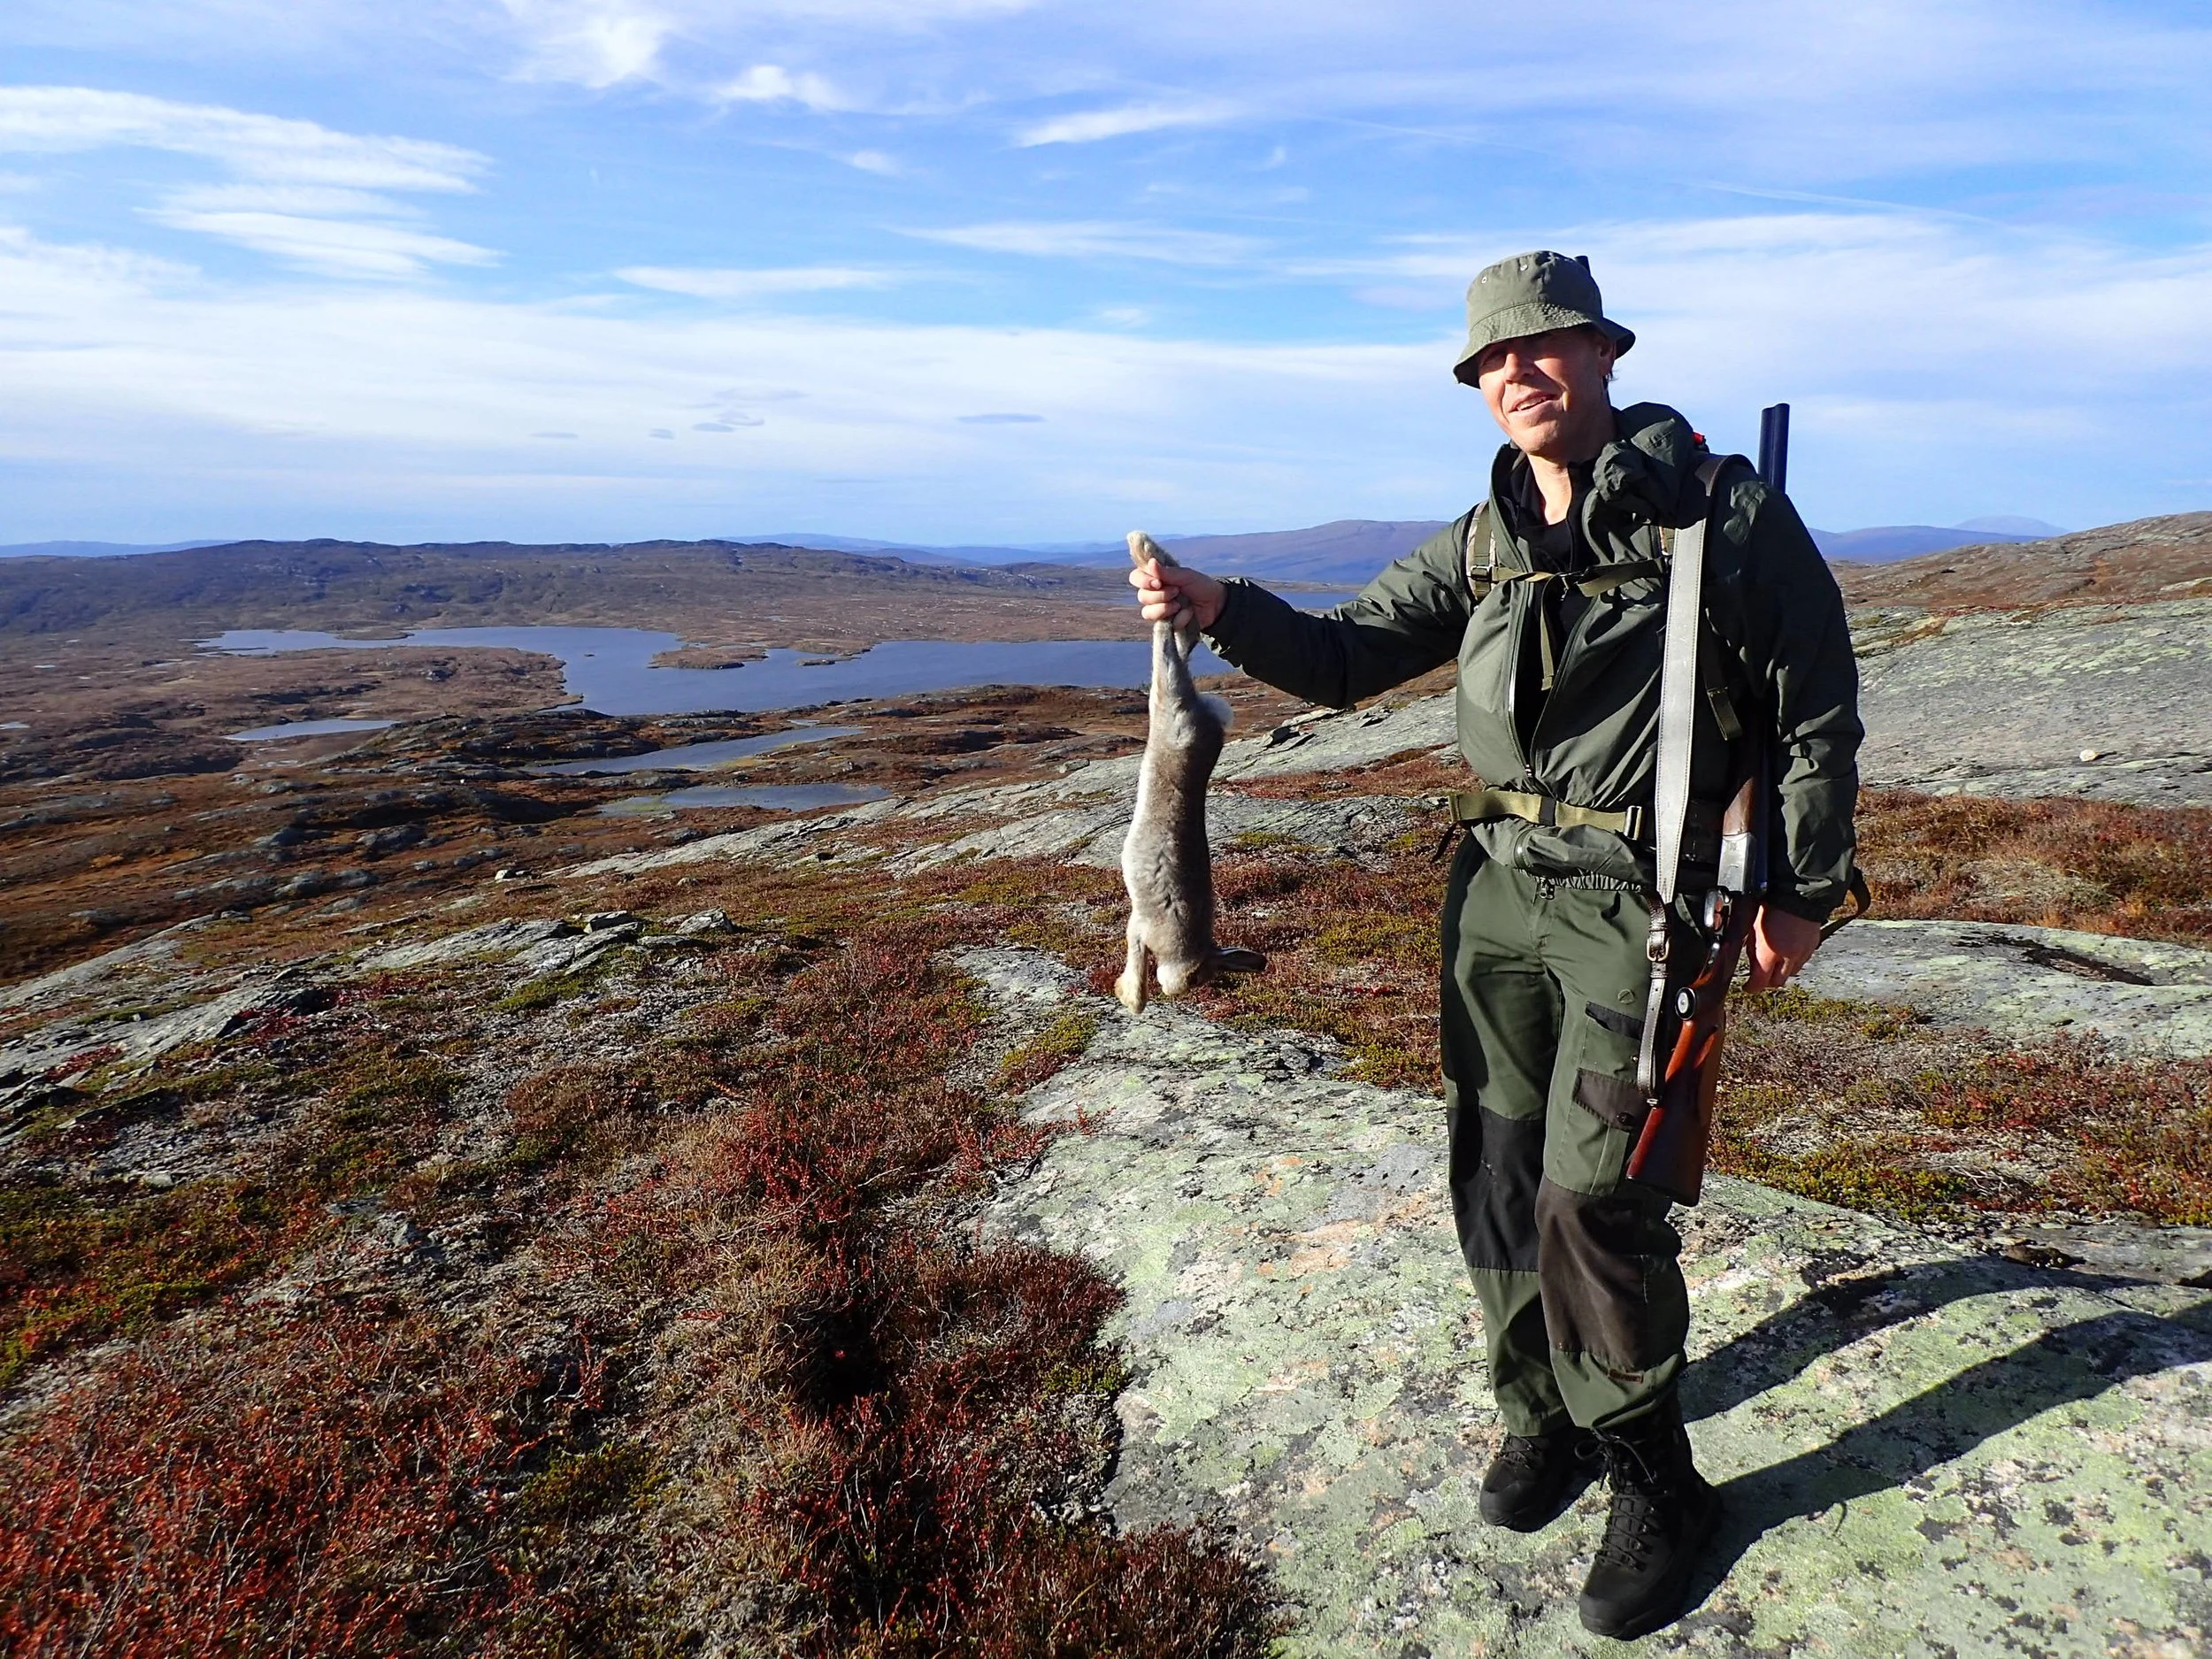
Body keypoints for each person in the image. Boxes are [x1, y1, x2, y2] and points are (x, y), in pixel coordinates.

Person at [1130, 249, 1862, 1640]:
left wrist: (1802, 885)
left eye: (1547, 348)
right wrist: (1222, 608)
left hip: (1639, 898)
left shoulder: (1722, 512)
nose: (1519, 373)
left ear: (1601, 356)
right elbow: (1348, 653)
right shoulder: (1485, 535)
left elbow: (1816, 706)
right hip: (1495, 891)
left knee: (1597, 1193)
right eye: (1494, 361)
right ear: (1479, 387)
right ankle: (1549, 1416)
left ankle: (1658, 1472)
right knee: (1499, 1165)